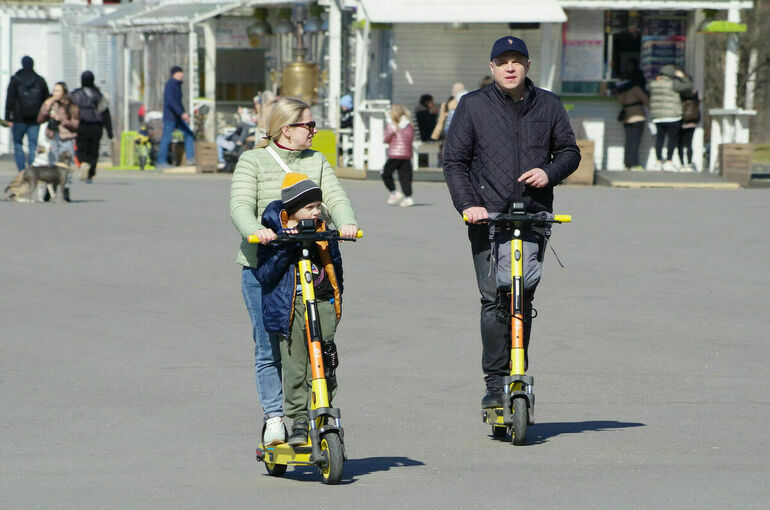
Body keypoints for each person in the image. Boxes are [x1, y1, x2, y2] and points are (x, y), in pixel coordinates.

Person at [443, 35, 580, 408]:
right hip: (488, 218)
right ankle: (495, 384)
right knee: (494, 298)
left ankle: (517, 373)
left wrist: (549, 172)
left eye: (516, 61)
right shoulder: (473, 106)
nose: (509, 67)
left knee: (522, 294)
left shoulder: (549, 104)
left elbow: (569, 152)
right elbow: (454, 162)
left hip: (533, 215)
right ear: (492, 67)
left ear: (527, 65)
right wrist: (469, 204)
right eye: (502, 61)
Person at [230, 97, 358, 445]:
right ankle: (274, 417)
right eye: (309, 125)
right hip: (265, 267)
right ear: (286, 129)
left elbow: (335, 197)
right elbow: (240, 205)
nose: (314, 130)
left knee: (311, 342)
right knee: (269, 347)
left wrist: (346, 222)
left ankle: (309, 412)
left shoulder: (316, 160)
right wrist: (255, 231)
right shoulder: (253, 161)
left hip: (308, 266)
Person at [255, 174, 344, 446]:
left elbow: (336, 269)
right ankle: (300, 421)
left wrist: (343, 231)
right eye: (309, 207)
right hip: (291, 307)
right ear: (293, 211)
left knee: (325, 361)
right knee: (295, 365)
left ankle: (323, 410)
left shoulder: (322, 231)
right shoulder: (274, 233)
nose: (316, 212)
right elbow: (266, 274)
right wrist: (286, 243)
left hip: (322, 302)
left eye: (318, 206)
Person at [4, 56, 49, 171]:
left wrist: (8, 117)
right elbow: (46, 99)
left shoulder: (16, 79)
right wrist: (45, 116)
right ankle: (32, 170)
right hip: (35, 118)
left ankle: (21, 170)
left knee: (18, 144)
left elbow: (10, 98)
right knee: (33, 145)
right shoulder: (39, 80)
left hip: (18, 118)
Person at [37, 82, 79, 201]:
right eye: (54, 90)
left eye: (58, 91)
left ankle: (66, 189)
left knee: (66, 165)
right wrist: (46, 106)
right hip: (53, 136)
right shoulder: (51, 104)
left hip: (66, 137)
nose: (55, 93)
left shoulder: (71, 106)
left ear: (64, 93)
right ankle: (50, 189)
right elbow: (40, 119)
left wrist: (61, 119)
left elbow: (75, 125)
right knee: (52, 163)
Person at [647, 65, 693, 172]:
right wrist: (682, 77)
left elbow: (647, 87)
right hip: (673, 116)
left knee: (659, 139)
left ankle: (658, 161)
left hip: (658, 116)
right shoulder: (674, 84)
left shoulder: (654, 84)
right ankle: (668, 161)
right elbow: (689, 86)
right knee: (672, 139)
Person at [70, 71, 113, 182]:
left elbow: (69, 111)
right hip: (96, 125)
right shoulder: (99, 95)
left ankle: (83, 163)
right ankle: (91, 172)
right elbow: (105, 114)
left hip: (81, 124)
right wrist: (109, 131)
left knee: (81, 148)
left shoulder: (75, 95)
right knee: (93, 150)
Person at [157, 66, 195, 168]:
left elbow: (179, 103)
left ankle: (190, 159)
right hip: (170, 117)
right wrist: (181, 113)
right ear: (174, 74)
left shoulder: (178, 85)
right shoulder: (170, 85)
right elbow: (171, 102)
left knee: (189, 134)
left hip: (178, 117)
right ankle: (161, 162)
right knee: (166, 138)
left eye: (182, 72)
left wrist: (184, 114)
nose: (181, 74)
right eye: (179, 72)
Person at [381, 104, 415, 207]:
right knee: (405, 177)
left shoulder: (392, 125)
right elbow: (410, 139)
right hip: (406, 155)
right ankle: (408, 197)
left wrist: (391, 130)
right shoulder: (409, 125)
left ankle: (394, 192)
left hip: (395, 155)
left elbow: (385, 139)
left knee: (385, 173)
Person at [613, 75, 649, 171]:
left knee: (628, 141)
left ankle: (627, 163)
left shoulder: (620, 90)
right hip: (637, 116)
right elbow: (646, 100)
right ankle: (634, 164)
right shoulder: (635, 88)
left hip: (626, 117)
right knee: (635, 141)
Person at [678, 79, 700, 172]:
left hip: (680, 121)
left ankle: (682, 164)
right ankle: (690, 163)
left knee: (680, 144)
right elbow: (699, 103)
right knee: (689, 144)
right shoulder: (695, 93)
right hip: (692, 121)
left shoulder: (679, 93)